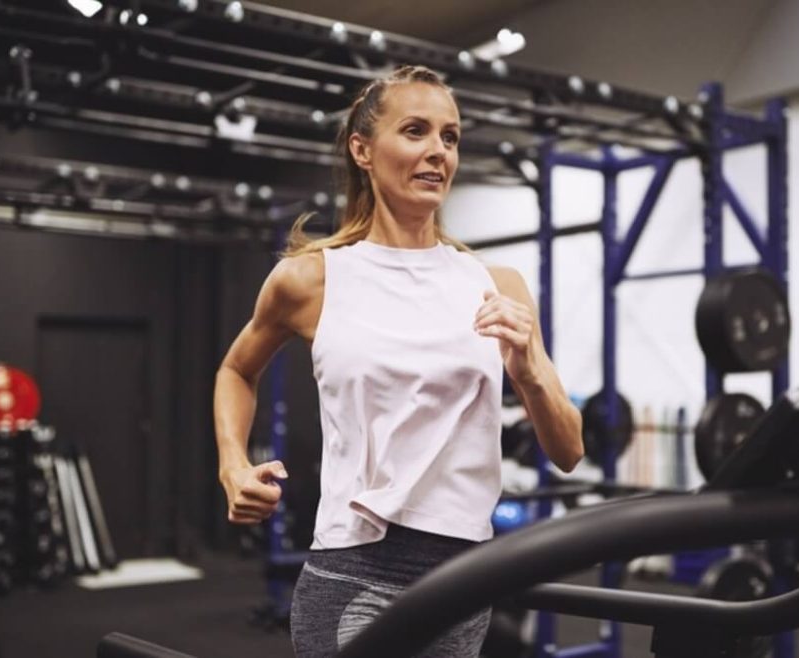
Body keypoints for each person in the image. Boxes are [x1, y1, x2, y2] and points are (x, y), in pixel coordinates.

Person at [212, 65, 584, 657]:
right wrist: (233, 465)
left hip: (463, 574)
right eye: (415, 131)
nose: (437, 151)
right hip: (353, 566)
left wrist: (529, 370)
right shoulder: (312, 278)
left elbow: (568, 450)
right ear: (363, 149)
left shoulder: (497, 283)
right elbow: (236, 369)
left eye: (450, 137)